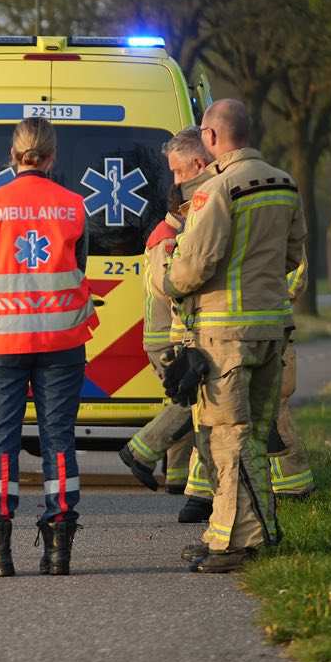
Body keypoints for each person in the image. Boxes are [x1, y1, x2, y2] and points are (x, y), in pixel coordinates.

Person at [152, 98, 307, 573]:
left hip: (225, 339)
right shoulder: (284, 183)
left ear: (213, 138)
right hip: (271, 332)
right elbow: (292, 253)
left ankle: (234, 546)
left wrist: (159, 270)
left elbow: (194, 266)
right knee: (254, 438)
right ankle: (249, 533)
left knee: (226, 439)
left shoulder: (216, 191)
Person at [0, 116, 96, 577]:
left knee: (1, 439)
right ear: (51, 155)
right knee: (59, 439)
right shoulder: (74, 206)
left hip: (2, 341)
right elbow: (79, 265)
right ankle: (59, 546)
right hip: (61, 339)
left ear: (13, 154)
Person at [120, 128, 213, 496]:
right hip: (170, 333)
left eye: (178, 173)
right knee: (193, 402)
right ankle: (141, 450)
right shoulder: (167, 235)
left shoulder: (172, 229)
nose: (175, 182)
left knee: (189, 402)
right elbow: (166, 284)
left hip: (169, 332)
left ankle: (179, 477)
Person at [271, 262, 316, 499]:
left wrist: (270, 296)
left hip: (273, 330)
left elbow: (298, 275)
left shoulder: (282, 225)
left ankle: (292, 485)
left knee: (274, 411)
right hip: (256, 330)